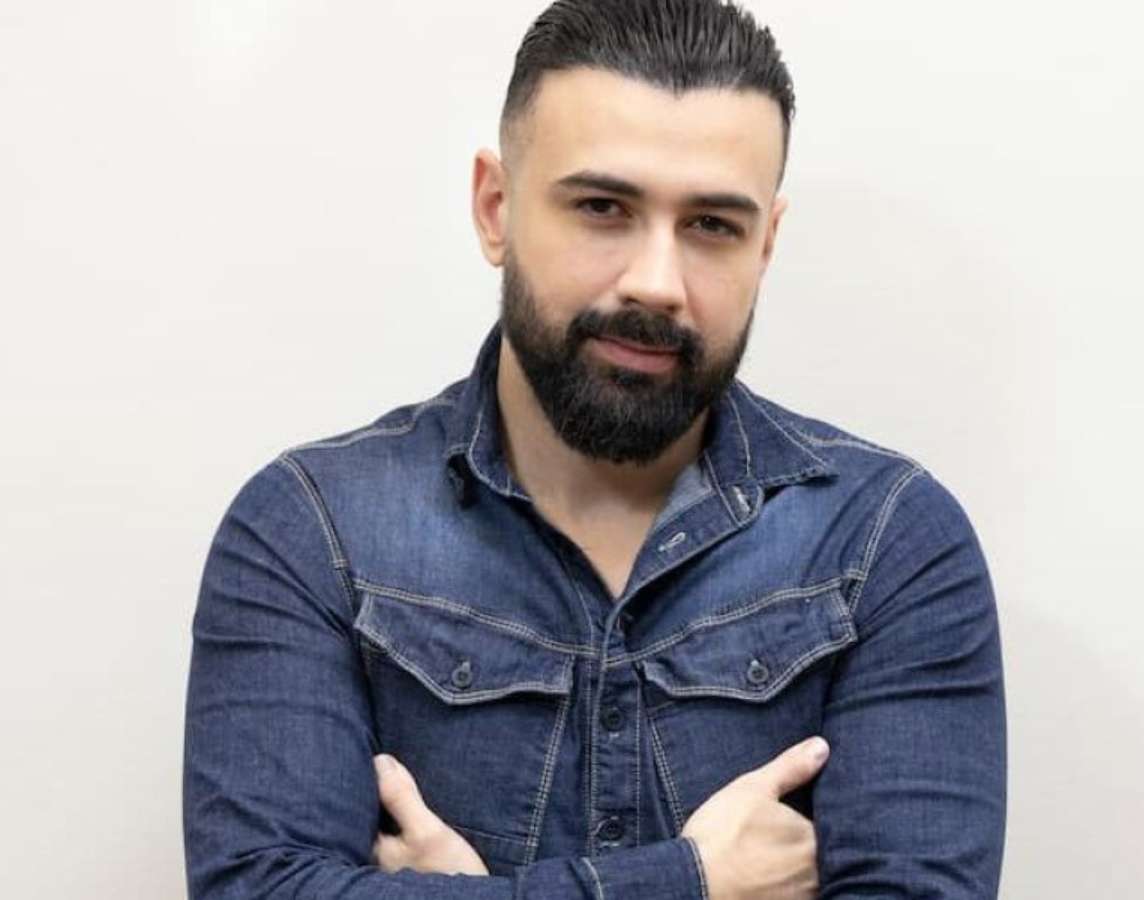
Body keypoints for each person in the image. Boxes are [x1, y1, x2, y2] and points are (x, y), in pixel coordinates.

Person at [182, 0, 1007, 897]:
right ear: (495, 209)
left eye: (712, 225)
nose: (656, 283)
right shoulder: (316, 528)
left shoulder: (884, 542)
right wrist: (693, 882)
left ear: (765, 244)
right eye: (603, 208)